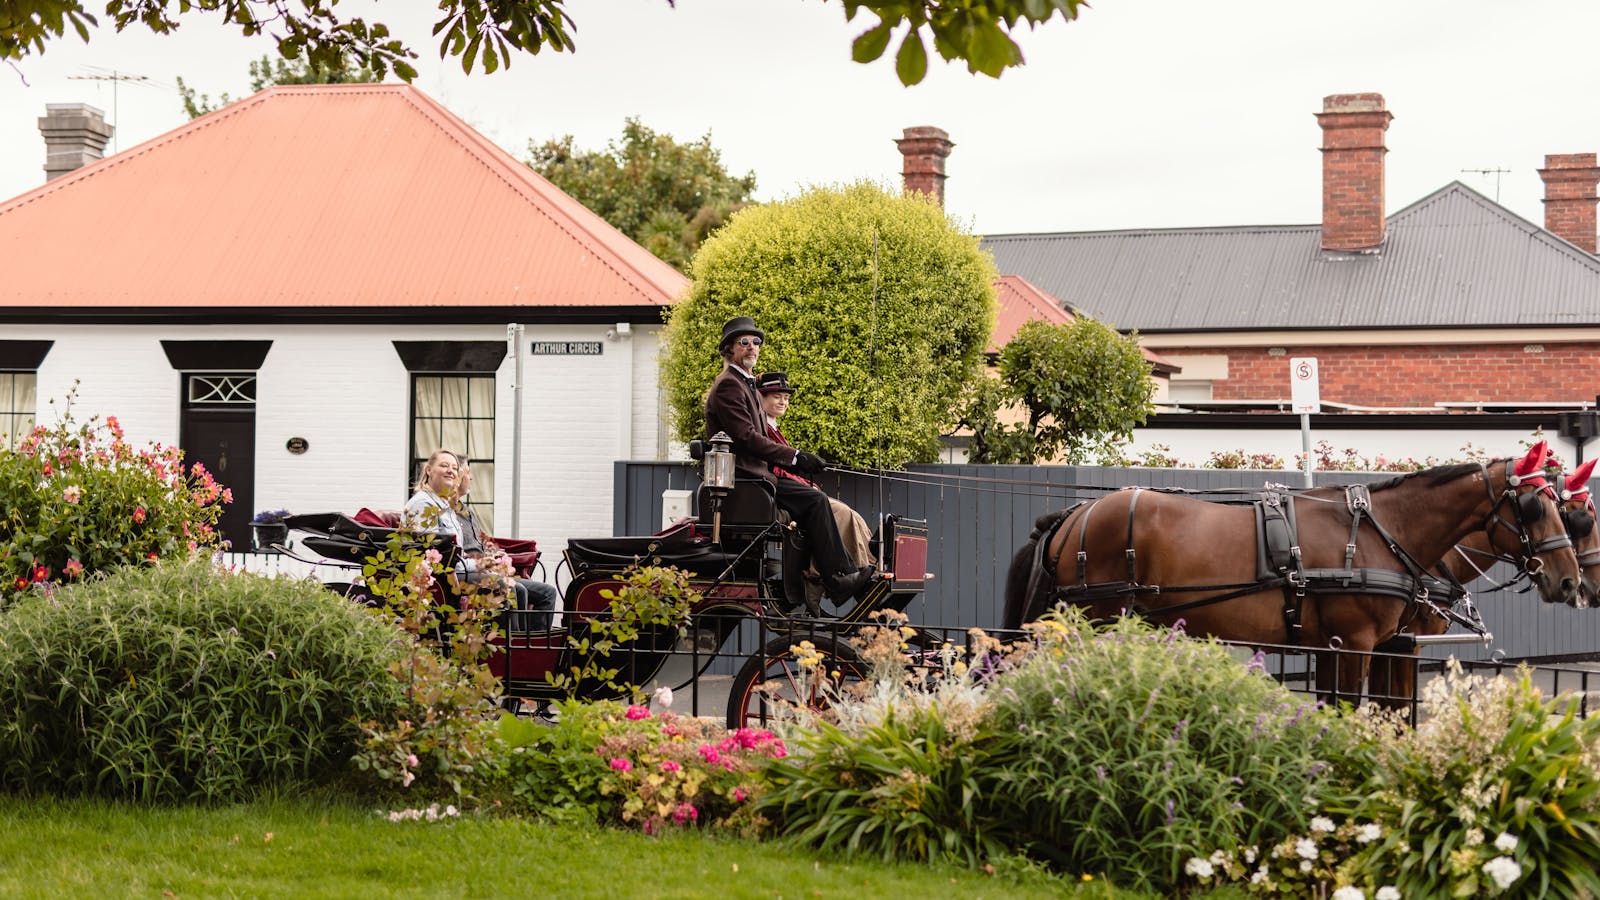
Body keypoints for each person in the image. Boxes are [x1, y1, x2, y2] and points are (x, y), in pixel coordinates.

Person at [702, 315, 875, 603]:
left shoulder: (745, 385)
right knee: (815, 501)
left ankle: (829, 577)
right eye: (744, 342)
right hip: (745, 480)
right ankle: (837, 578)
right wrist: (795, 457)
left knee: (813, 499)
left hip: (758, 477)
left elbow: (761, 439)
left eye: (756, 342)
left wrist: (798, 459)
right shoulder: (728, 385)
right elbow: (747, 438)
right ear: (729, 349)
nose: (752, 347)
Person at [403, 449, 557, 630]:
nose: (450, 471)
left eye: (454, 467)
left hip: (458, 569)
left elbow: (457, 554)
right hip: (444, 576)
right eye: (444, 465)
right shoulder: (423, 503)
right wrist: (477, 566)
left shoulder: (445, 506)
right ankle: (506, 649)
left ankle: (520, 647)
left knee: (520, 589)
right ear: (429, 470)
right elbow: (431, 553)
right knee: (505, 587)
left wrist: (483, 563)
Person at [756, 371, 874, 571]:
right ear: (760, 397)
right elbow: (775, 469)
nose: (783, 402)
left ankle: (868, 563)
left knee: (852, 514)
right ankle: (839, 573)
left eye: (786, 398)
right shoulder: (762, 430)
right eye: (777, 397)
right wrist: (804, 481)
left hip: (787, 491)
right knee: (842, 513)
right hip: (775, 493)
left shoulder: (773, 429)